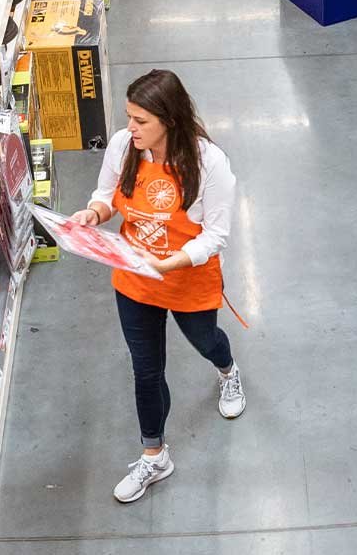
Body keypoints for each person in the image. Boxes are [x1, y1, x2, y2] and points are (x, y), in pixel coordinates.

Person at [68, 70, 243, 504]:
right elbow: (106, 194)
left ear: (170, 119)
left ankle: (227, 370)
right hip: (135, 277)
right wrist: (93, 213)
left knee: (205, 340)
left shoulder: (209, 164)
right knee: (146, 370)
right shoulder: (123, 146)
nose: (131, 127)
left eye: (141, 120)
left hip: (187, 277)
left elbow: (216, 235)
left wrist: (168, 263)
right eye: (129, 117)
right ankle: (154, 454)